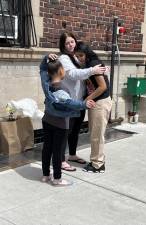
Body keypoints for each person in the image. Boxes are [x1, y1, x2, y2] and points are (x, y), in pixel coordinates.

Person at [43, 32, 106, 172]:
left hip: (81, 100)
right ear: (63, 45)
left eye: (72, 41)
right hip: (70, 101)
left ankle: (72, 154)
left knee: (75, 130)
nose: (70, 45)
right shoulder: (65, 58)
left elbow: (86, 68)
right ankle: (60, 159)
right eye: (67, 43)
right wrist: (92, 70)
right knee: (66, 131)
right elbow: (72, 74)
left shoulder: (76, 57)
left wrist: (99, 69)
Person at [41, 59, 95, 186]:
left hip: (47, 120)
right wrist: (84, 104)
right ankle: (57, 179)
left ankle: (45, 175)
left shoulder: (46, 85)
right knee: (58, 151)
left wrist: (46, 59)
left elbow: (42, 71)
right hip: (60, 124)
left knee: (47, 149)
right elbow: (69, 103)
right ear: (60, 71)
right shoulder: (62, 89)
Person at [74, 41, 112, 173]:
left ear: (86, 53)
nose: (79, 58)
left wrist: (86, 99)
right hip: (98, 102)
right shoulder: (89, 64)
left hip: (100, 103)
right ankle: (97, 160)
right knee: (95, 134)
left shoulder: (92, 63)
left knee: (97, 135)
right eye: (76, 56)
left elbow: (102, 87)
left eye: (81, 55)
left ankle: (98, 164)